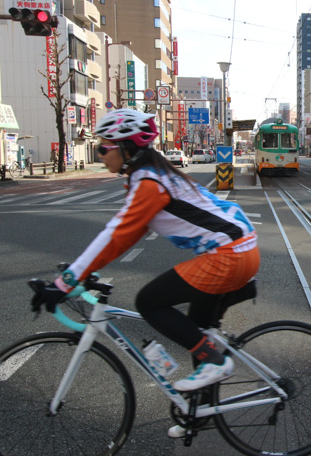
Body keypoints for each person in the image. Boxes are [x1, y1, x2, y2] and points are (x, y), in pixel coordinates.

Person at [51, 109, 259, 437]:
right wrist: (85, 270)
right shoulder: (151, 176)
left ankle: (216, 363)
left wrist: (67, 280)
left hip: (228, 257)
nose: (100, 153)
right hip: (239, 252)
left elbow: (116, 233)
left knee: (149, 302)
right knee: (198, 332)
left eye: (104, 147)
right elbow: (128, 234)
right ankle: (196, 411)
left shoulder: (150, 181)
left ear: (127, 148)